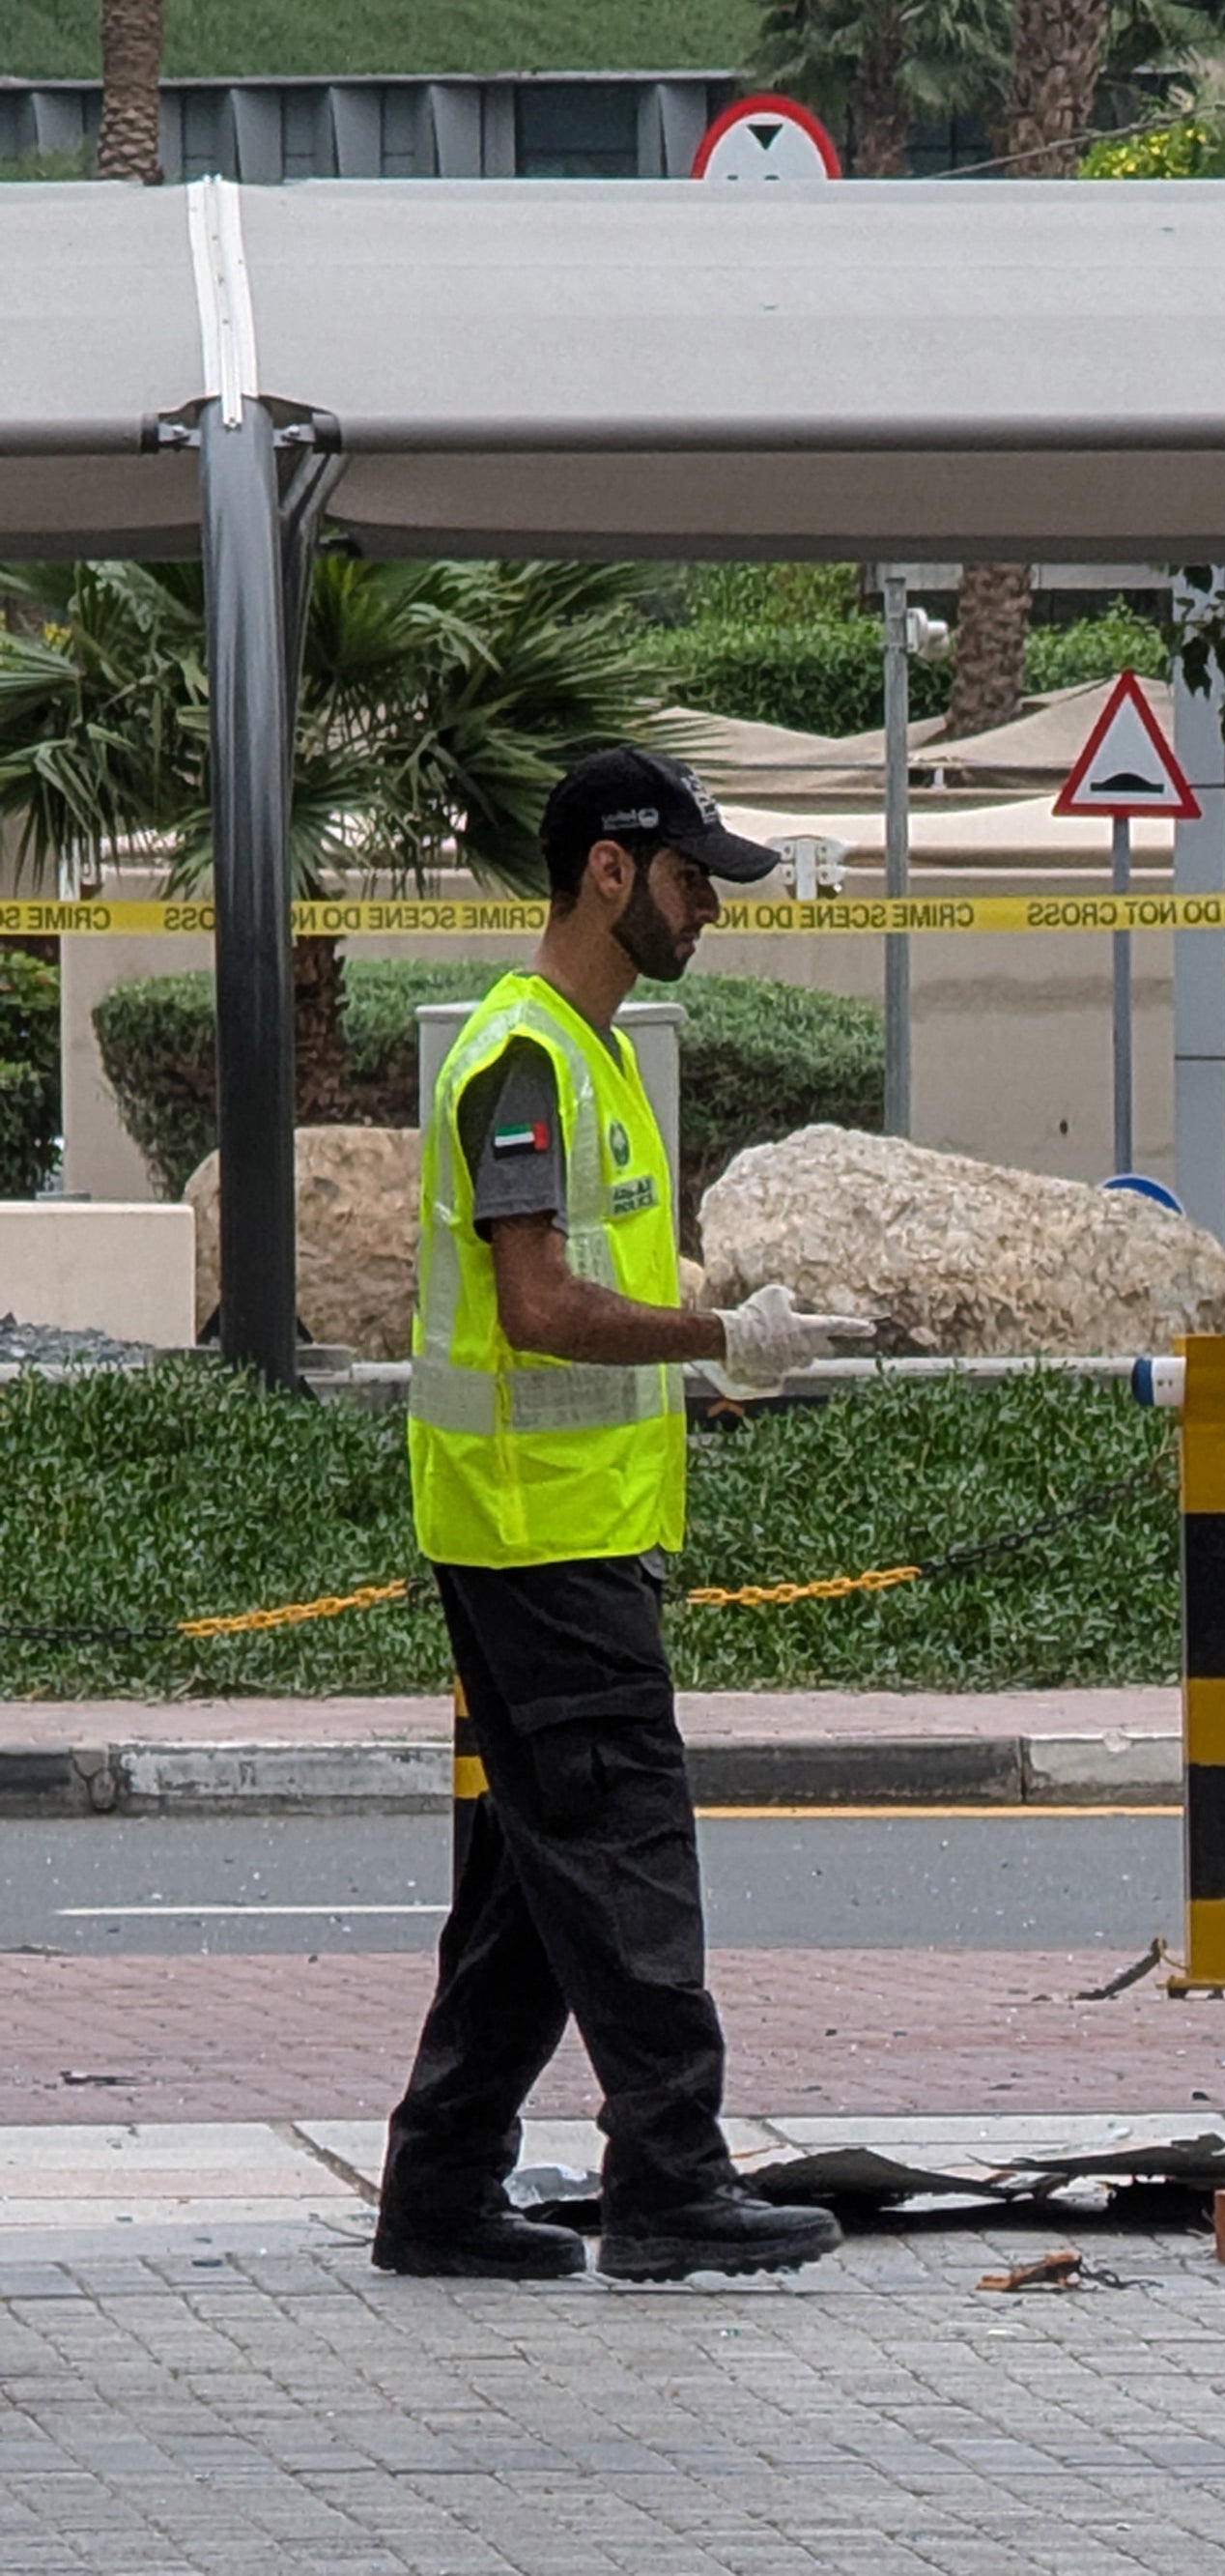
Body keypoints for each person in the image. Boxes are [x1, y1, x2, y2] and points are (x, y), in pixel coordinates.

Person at [375, 748, 876, 2285]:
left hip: (554, 1524)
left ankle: (442, 2190)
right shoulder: (524, 1058)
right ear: (608, 869)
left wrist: (717, 1322)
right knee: (629, 1850)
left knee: (539, 1879)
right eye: (687, 878)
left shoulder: (582, 1054)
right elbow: (536, 1307)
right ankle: (669, 2183)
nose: (708, 909)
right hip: (541, 1536)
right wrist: (718, 1339)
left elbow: (578, 1284)